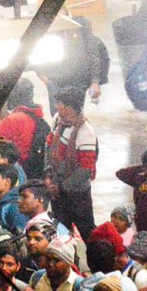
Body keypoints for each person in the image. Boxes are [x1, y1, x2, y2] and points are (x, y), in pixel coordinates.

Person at [45, 88, 98, 241]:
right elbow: (49, 147)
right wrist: (48, 174)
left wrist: (61, 186)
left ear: (68, 108)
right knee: (62, 235)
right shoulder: (58, 121)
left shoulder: (86, 132)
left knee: (87, 233)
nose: (56, 107)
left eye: (59, 104)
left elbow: (85, 170)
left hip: (77, 195)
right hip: (58, 192)